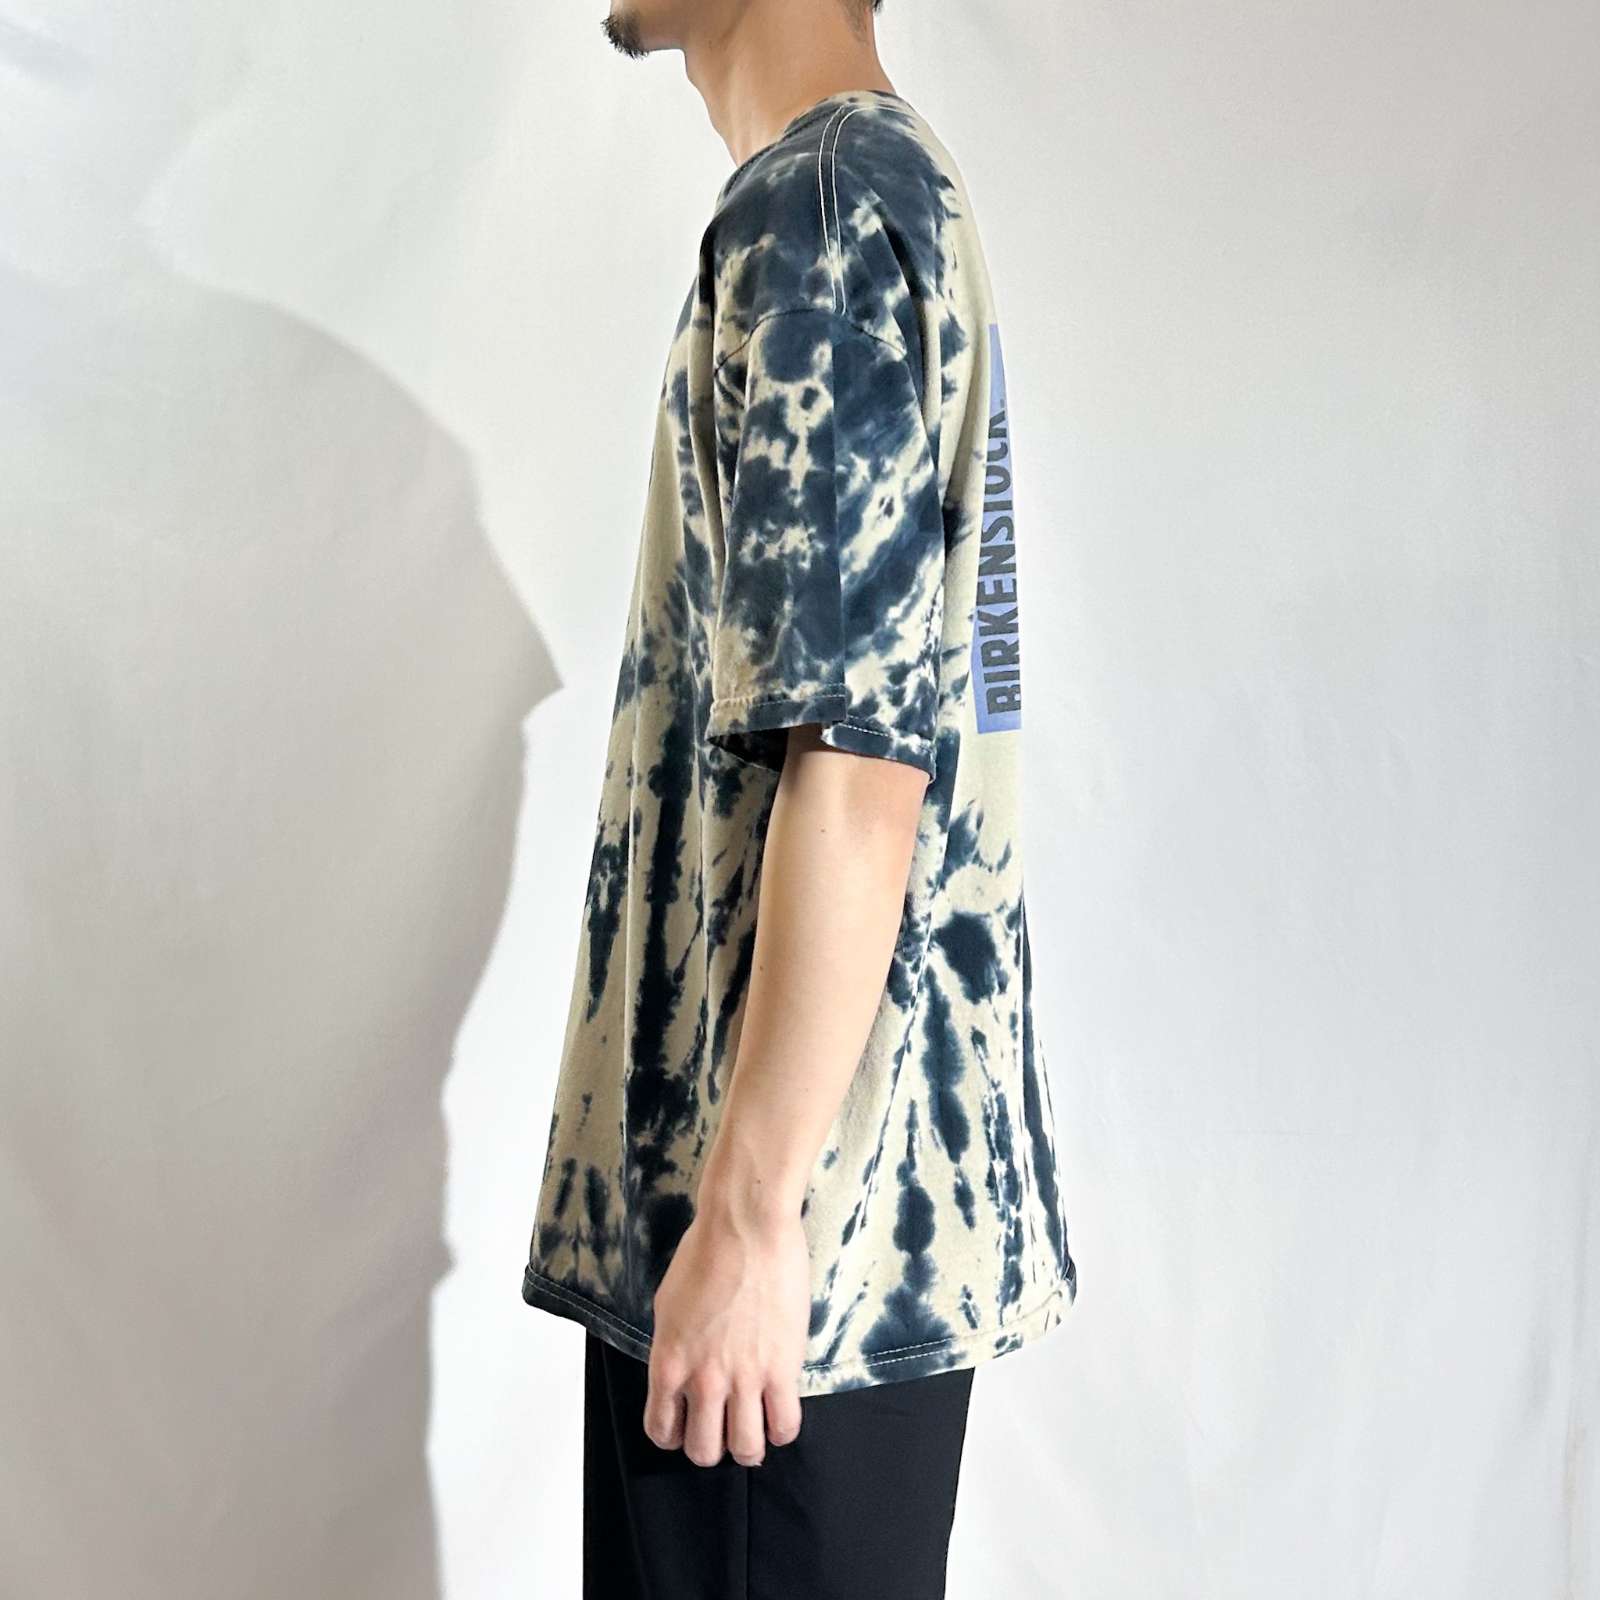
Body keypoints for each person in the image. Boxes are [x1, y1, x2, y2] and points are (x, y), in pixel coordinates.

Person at [521, 2, 1079, 1593]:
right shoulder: (891, 192)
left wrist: (752, 1219)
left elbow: (858, 761)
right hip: (843, 1248)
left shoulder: (816, 214)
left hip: (780, 1283)